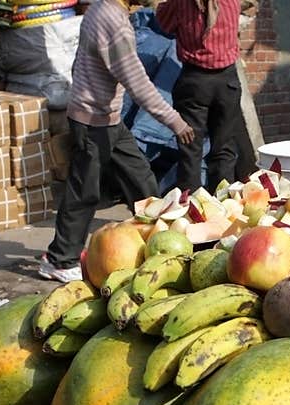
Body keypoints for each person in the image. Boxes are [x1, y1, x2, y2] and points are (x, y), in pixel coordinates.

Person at [39, 0, 195, 283]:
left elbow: (83, 63)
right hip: (93, 120)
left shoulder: (100, 8)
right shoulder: (112, 20)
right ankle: (59, 259)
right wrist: (175, 122)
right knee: (84, 191)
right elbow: (137, 82)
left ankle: (154, 248)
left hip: (108, 119)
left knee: (142, 181)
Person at [155, 0, 242, 192]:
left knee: (190, 152)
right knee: (224, 150)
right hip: (227, 82)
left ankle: (191, 210)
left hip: (194, 82)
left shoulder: (180, 4)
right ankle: (224, 208)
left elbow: (163, 22)